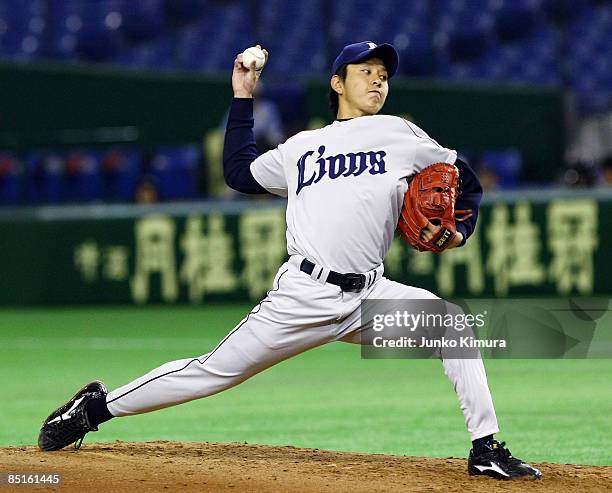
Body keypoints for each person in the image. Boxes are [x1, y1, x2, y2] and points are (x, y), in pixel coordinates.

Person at [37, 41, 541, 481]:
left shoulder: (400, 134)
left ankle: (486, 449)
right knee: (212, 373)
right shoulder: (303, 147)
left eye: (383, 74)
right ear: (337, 82)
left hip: (369, 294)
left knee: (451, 325)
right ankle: (95, 408)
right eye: (366, 71)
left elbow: (463, 177)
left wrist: (458, 230)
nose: (378, 79)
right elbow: (238, 172)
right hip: (303, 295)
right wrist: (242, 96)